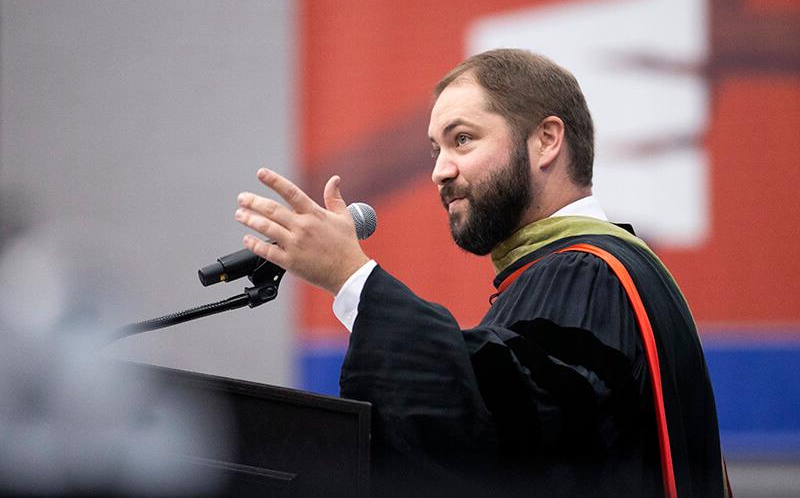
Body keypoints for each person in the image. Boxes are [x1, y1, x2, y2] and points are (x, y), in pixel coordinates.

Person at [234, 49, 729, 497]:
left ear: (546, 141)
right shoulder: (593, 270)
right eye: (435, 150)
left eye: (462, 140)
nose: (440, 171)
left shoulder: (586, 272)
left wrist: (351, 278)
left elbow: (498, 438)